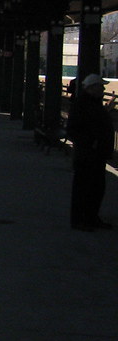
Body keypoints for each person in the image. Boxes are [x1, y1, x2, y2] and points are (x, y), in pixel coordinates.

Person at [66, 73, 114, 231]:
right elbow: (75, 129)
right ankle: (82, 220)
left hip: (94, 153)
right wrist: (91, 143)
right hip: (88, 154)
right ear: (91, 88)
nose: (103, 89)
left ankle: (90, 217)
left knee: (95, 187)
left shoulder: (91, 104)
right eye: (100, 86)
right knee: (85, 187)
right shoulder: (84, 105)